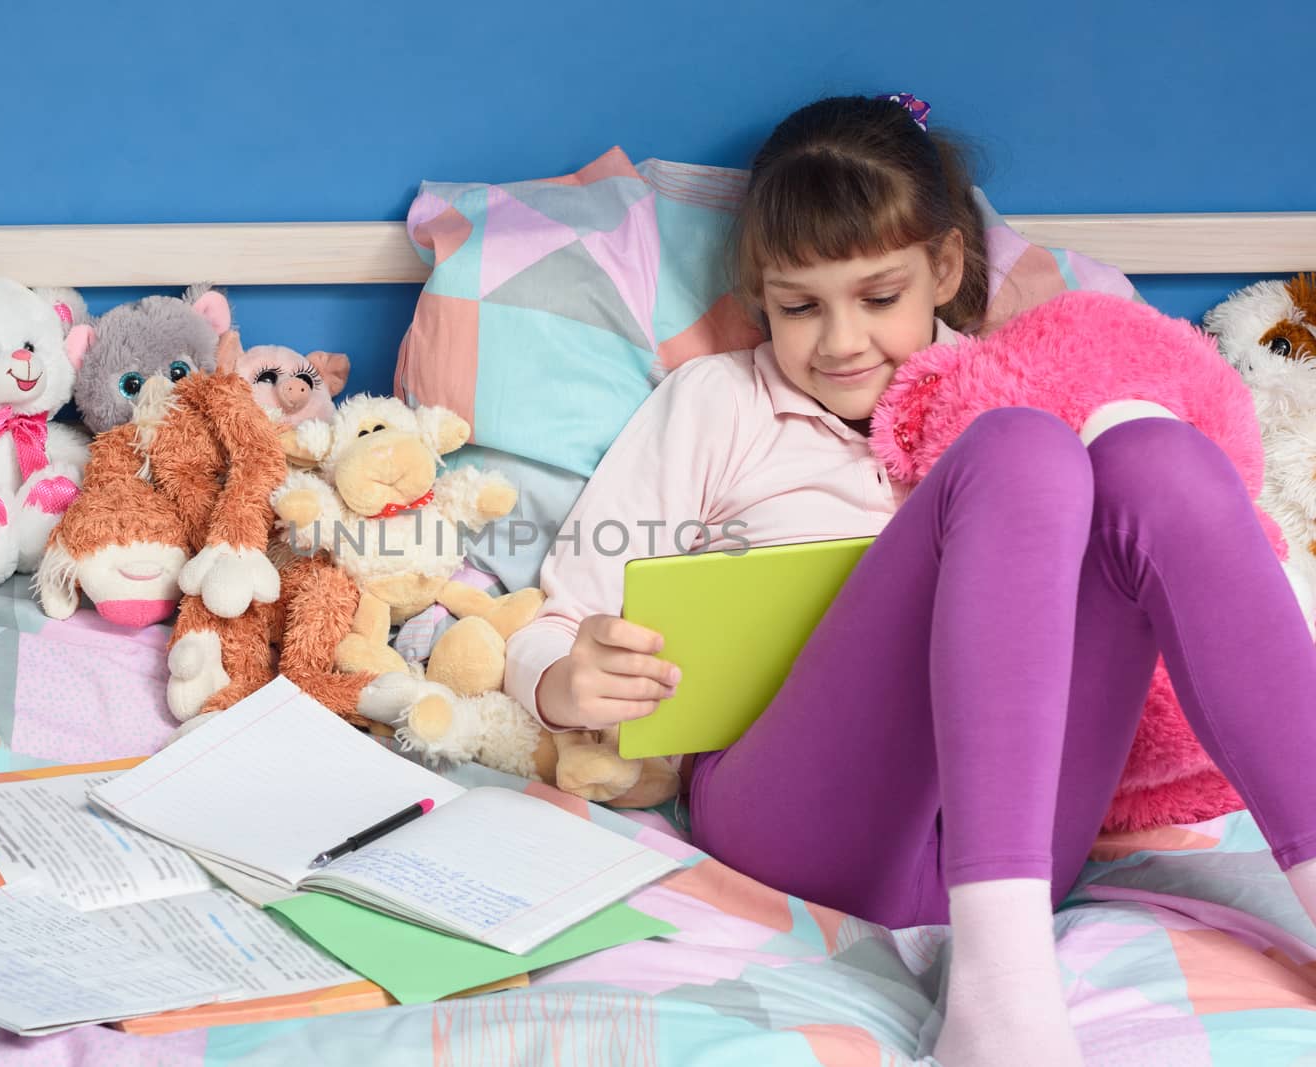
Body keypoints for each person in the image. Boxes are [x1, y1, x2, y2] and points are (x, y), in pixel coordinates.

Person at [503, 94, 1316, 1066]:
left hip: (1025, 837)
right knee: (1017, 450)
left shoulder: (1011, 383)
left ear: (943, 267)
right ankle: (1003, 1011)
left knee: (1156, 455)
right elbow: (559, 614)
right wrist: (560, 674)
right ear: (760, 294)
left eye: (878, 297)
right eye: (800, 305)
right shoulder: (717, 402)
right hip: (798, 817)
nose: (840, 341)